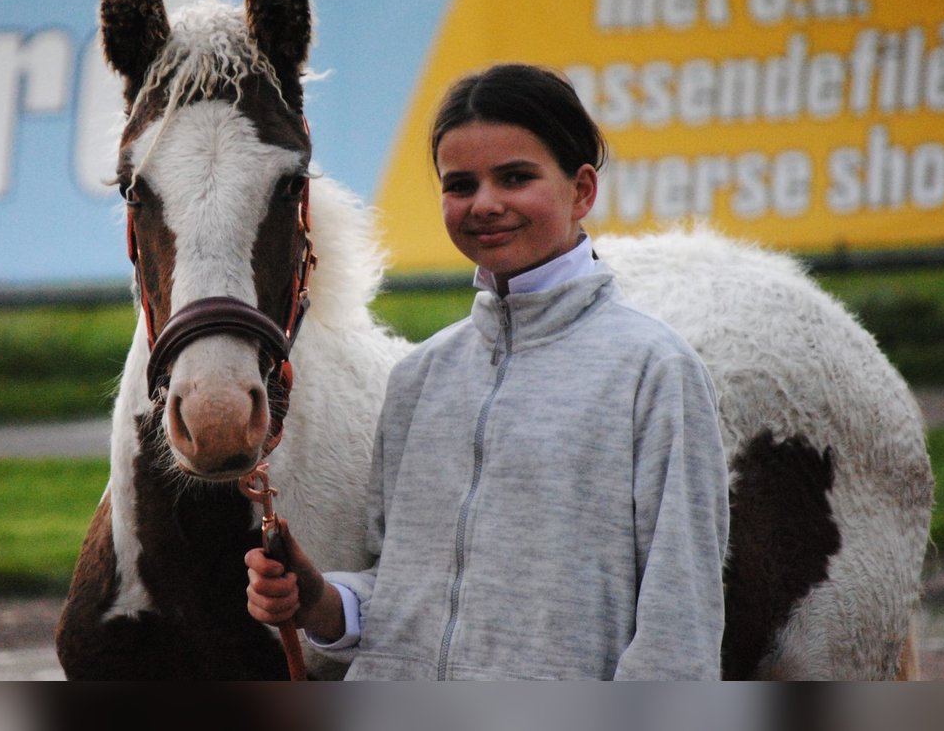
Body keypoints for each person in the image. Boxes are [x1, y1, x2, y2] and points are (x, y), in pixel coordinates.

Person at [245, 62, 730, 680]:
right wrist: (321, 602)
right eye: (460, 185)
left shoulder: (655, 371)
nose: (486, 204)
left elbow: (677, 628)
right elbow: (403, 594)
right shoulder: (420, 378)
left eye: (516, 177)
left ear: (582, 190)